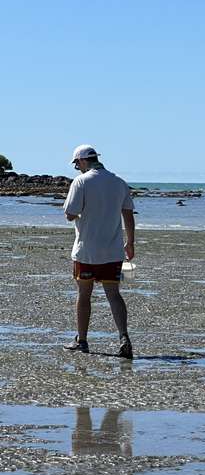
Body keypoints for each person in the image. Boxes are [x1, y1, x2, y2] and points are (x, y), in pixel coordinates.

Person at [62, 145, 135, 359]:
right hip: (113, 251)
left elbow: (70, 214)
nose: (77, 168)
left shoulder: (81, 182)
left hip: (86, 251)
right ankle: (124, 337)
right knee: (114, 294)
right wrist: (130, 243)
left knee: (84, 295)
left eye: (77, 164)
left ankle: (82, 341)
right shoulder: (119, 182)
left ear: (83, 161)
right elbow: (128, 215)